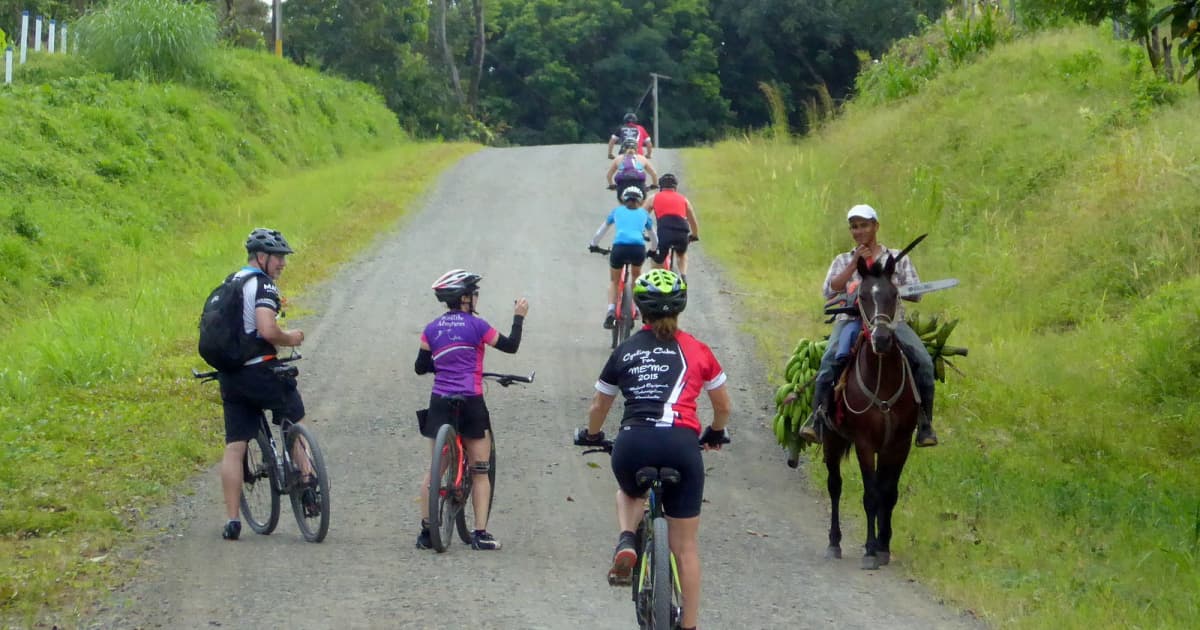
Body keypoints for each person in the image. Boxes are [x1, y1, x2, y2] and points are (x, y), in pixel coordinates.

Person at [574, 269, 733, 630]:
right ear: (680, 308)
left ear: (640, 312)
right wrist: (714, 432)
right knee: (686, 547)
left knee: (629, 490)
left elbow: (599, 406)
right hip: (681, 444)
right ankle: (689, 626)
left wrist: (593, 435)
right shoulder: (697, 349)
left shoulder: (625, 350)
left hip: (634, 442)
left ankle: (627, 538)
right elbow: (723, 406)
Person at [798, 204, 939, 447]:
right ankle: (817, 418)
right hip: (851, 321)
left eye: (864, 225)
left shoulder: (895, 258)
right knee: (830, 359)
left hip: (890, 322)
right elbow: (830, 290)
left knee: (924, 362)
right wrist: (854, 263)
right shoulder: (843, 259)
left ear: (876, 226)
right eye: (854, 226)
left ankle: (925, 423)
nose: (859, 230)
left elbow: (917, 294)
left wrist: (891, 290)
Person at [414, 269, 529, 551]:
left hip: (440, 401)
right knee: (480, 469)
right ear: (464, 298)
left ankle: (427, 533)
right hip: (471, 401)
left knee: (434, 472)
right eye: (474, 293)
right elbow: (511, 346)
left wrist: (443, 362)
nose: (476, 298)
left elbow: (420, 367)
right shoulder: (477, 327)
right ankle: (480, 533)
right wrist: (519, 316)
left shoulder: (431, 329)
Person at [217, 228, 309, 541]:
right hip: (260, 370)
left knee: (235, 444)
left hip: (230, 375)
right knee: (293, 420)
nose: (282, 263)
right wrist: (291, 337)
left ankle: (232, 521)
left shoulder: (231, 281)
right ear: (262, 257)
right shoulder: (263, 285)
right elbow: (267, 330)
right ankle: (309, 485)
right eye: (278, 257)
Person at [590, 187, 658, 329]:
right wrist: (652, 250)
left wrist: (593, 245)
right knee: (636, 277)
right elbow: (654, 238)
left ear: (623, 199)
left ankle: (610, 311)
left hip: (619, 248)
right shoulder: (644, 214)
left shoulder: (617, 211)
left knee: (614, 281)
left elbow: (601, 231)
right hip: (637, 249)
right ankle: (638, 308)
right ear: (640, 201)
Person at [645, 173, 700, 282]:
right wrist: (694, 235)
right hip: (682, 231)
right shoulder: (684, 199)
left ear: (661, 186)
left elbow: (641, 216)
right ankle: (683, 275)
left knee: (657, 260)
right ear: (675, 187)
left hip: (664, 232)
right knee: (682, 254)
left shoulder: (654, 197)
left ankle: (657, 284)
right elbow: (692, 220)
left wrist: (642, 232)